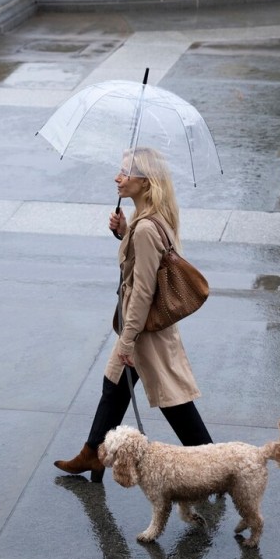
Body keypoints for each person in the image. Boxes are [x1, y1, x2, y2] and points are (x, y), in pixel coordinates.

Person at [54, 146, 212, 482]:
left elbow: (143, 290)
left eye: (125, 172)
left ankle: (212, 465)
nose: (117, 177)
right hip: (140, 326)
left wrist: (127, 340)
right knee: (114, 385)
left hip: (144, 330)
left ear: (144, 181)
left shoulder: (145, 228)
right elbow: (146, 261)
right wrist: (122, 232)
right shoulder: (149, 220)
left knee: (174, 401)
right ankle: (93, 453)